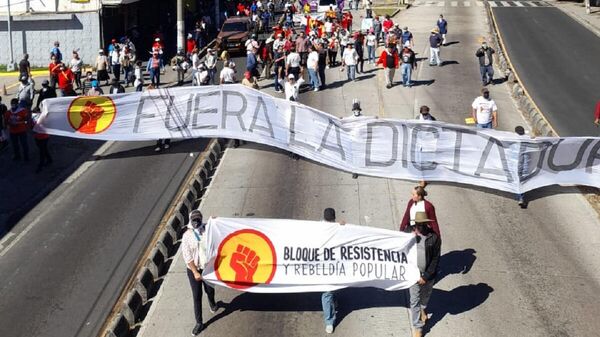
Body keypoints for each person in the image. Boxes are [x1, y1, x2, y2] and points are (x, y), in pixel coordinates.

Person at [405, 211, 441, 337]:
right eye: (417, 224)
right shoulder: (408, 232)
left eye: (422, 224)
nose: (419, 227)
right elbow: (394, 242)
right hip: (413, 274)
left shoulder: (434, 238)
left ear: (426, 224)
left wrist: (426, 276)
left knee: (424, 298)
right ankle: (417, 328)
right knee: (414, 300)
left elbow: (436, 258)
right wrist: (409, 237)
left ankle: (423, 309)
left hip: (428, 275)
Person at [182, 210, 218, 336]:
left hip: (207, 268)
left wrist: (216, 221)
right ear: (190, 221)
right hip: (194, 270)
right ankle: (199, 322)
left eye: (198, 220)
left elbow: (216, 227)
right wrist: (195, 272)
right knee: (197, 296)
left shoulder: (207, 229)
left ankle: (212, 303)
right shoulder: (187, 236)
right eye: (194, 220)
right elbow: (187, 258)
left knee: (210, 289)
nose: (196, 222)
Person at [321, 207, 343, 334]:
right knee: (327, 292)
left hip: (335, 264)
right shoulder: (319, 229)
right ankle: (329, 321)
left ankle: (333, 301)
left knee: (332, 290)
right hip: (324, 266)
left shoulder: (337, 227)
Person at [31, 108, 52, 173]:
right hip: (37, 137)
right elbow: (32, 127)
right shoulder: (33, 118)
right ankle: (49, 159)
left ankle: (41, 165)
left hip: (44, 137)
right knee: (44, 149)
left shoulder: (43, 117)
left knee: (42, 151)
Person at [514, 125, 530, 208]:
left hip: (516, 164)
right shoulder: (528, 139)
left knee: (517, 181)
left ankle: (519, 197)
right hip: (525, 165)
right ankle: (521, 197)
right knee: (521, 181)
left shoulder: (514, 138)